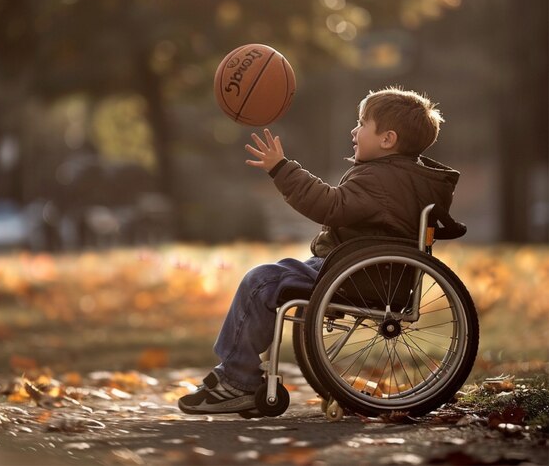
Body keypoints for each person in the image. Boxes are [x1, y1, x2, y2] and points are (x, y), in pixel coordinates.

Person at [178, 87, 461, 415]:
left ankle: (237, 379)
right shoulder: (402, 178)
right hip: (363, 273)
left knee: (261, 282)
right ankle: (239, 376)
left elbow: (330, 205)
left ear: (388, 139)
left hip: (353, 276)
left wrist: (281, 169)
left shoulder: (381, 179)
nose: (354, 131)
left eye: (362, 124)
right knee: (272, 278)